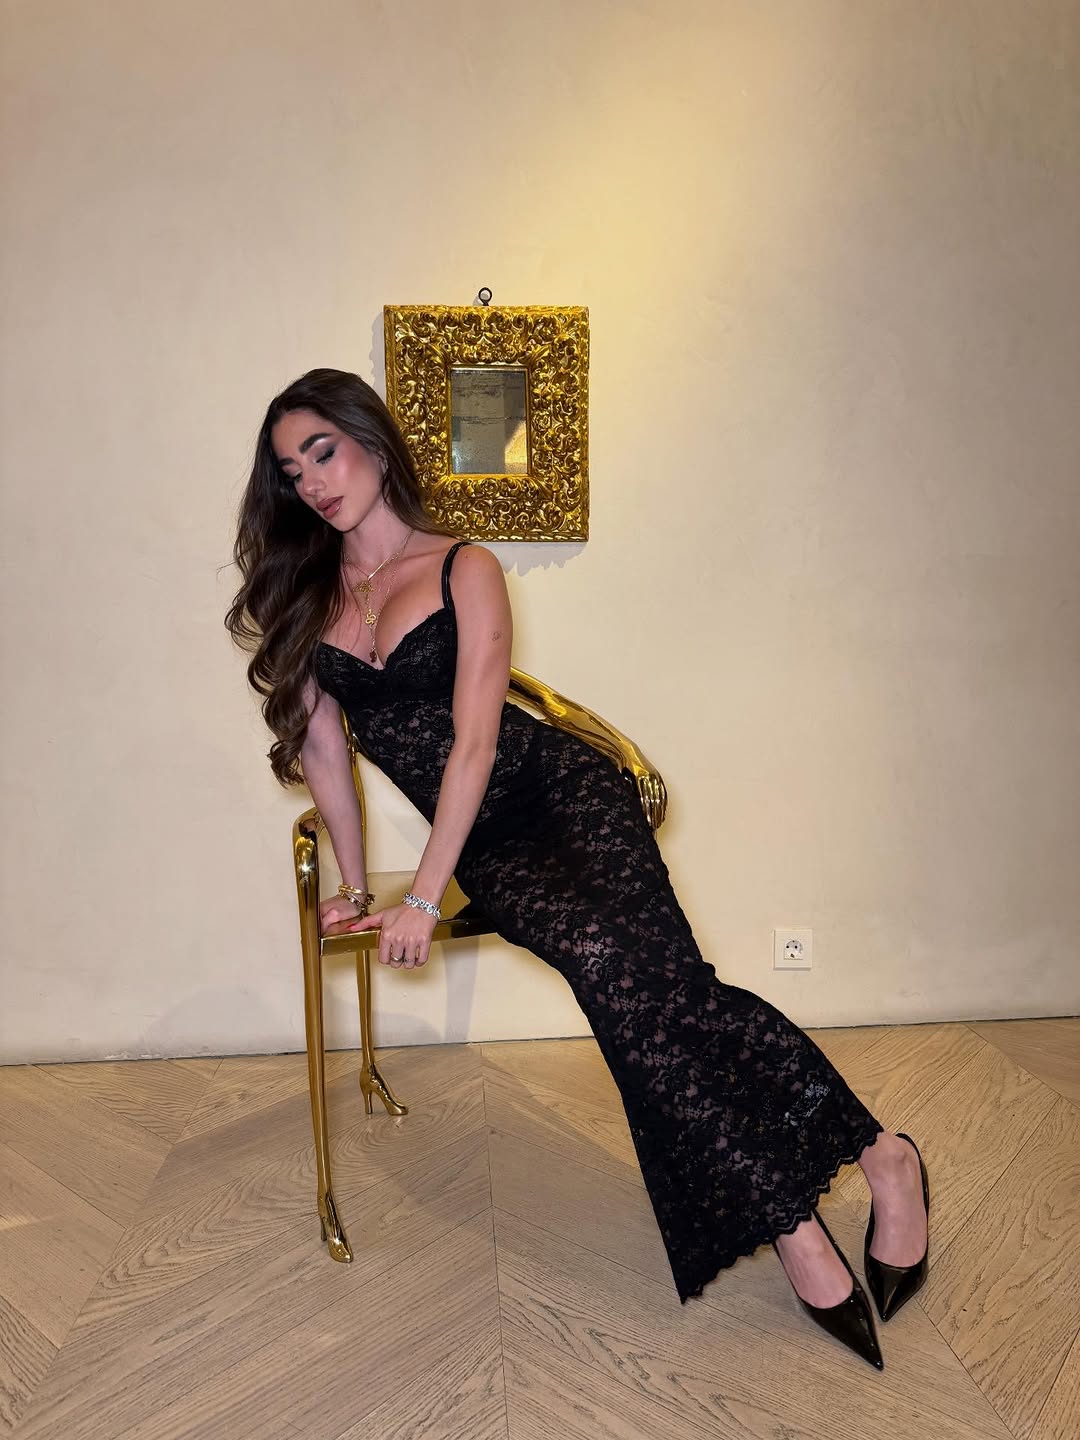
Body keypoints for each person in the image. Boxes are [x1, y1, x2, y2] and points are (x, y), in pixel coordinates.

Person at [226, 367, 931, 1369]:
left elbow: (476, 742)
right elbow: (328, 757)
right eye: (293, 472)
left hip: (564, 796)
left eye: (323, 452)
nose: (313, 482)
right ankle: (852, 1176)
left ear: (371, 443)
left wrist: (422, 894)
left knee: (654, 988)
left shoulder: (464, 565)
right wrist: (352, 883)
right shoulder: (308, 596)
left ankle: (822, 1202)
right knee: (631, 985)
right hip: (489, 843)